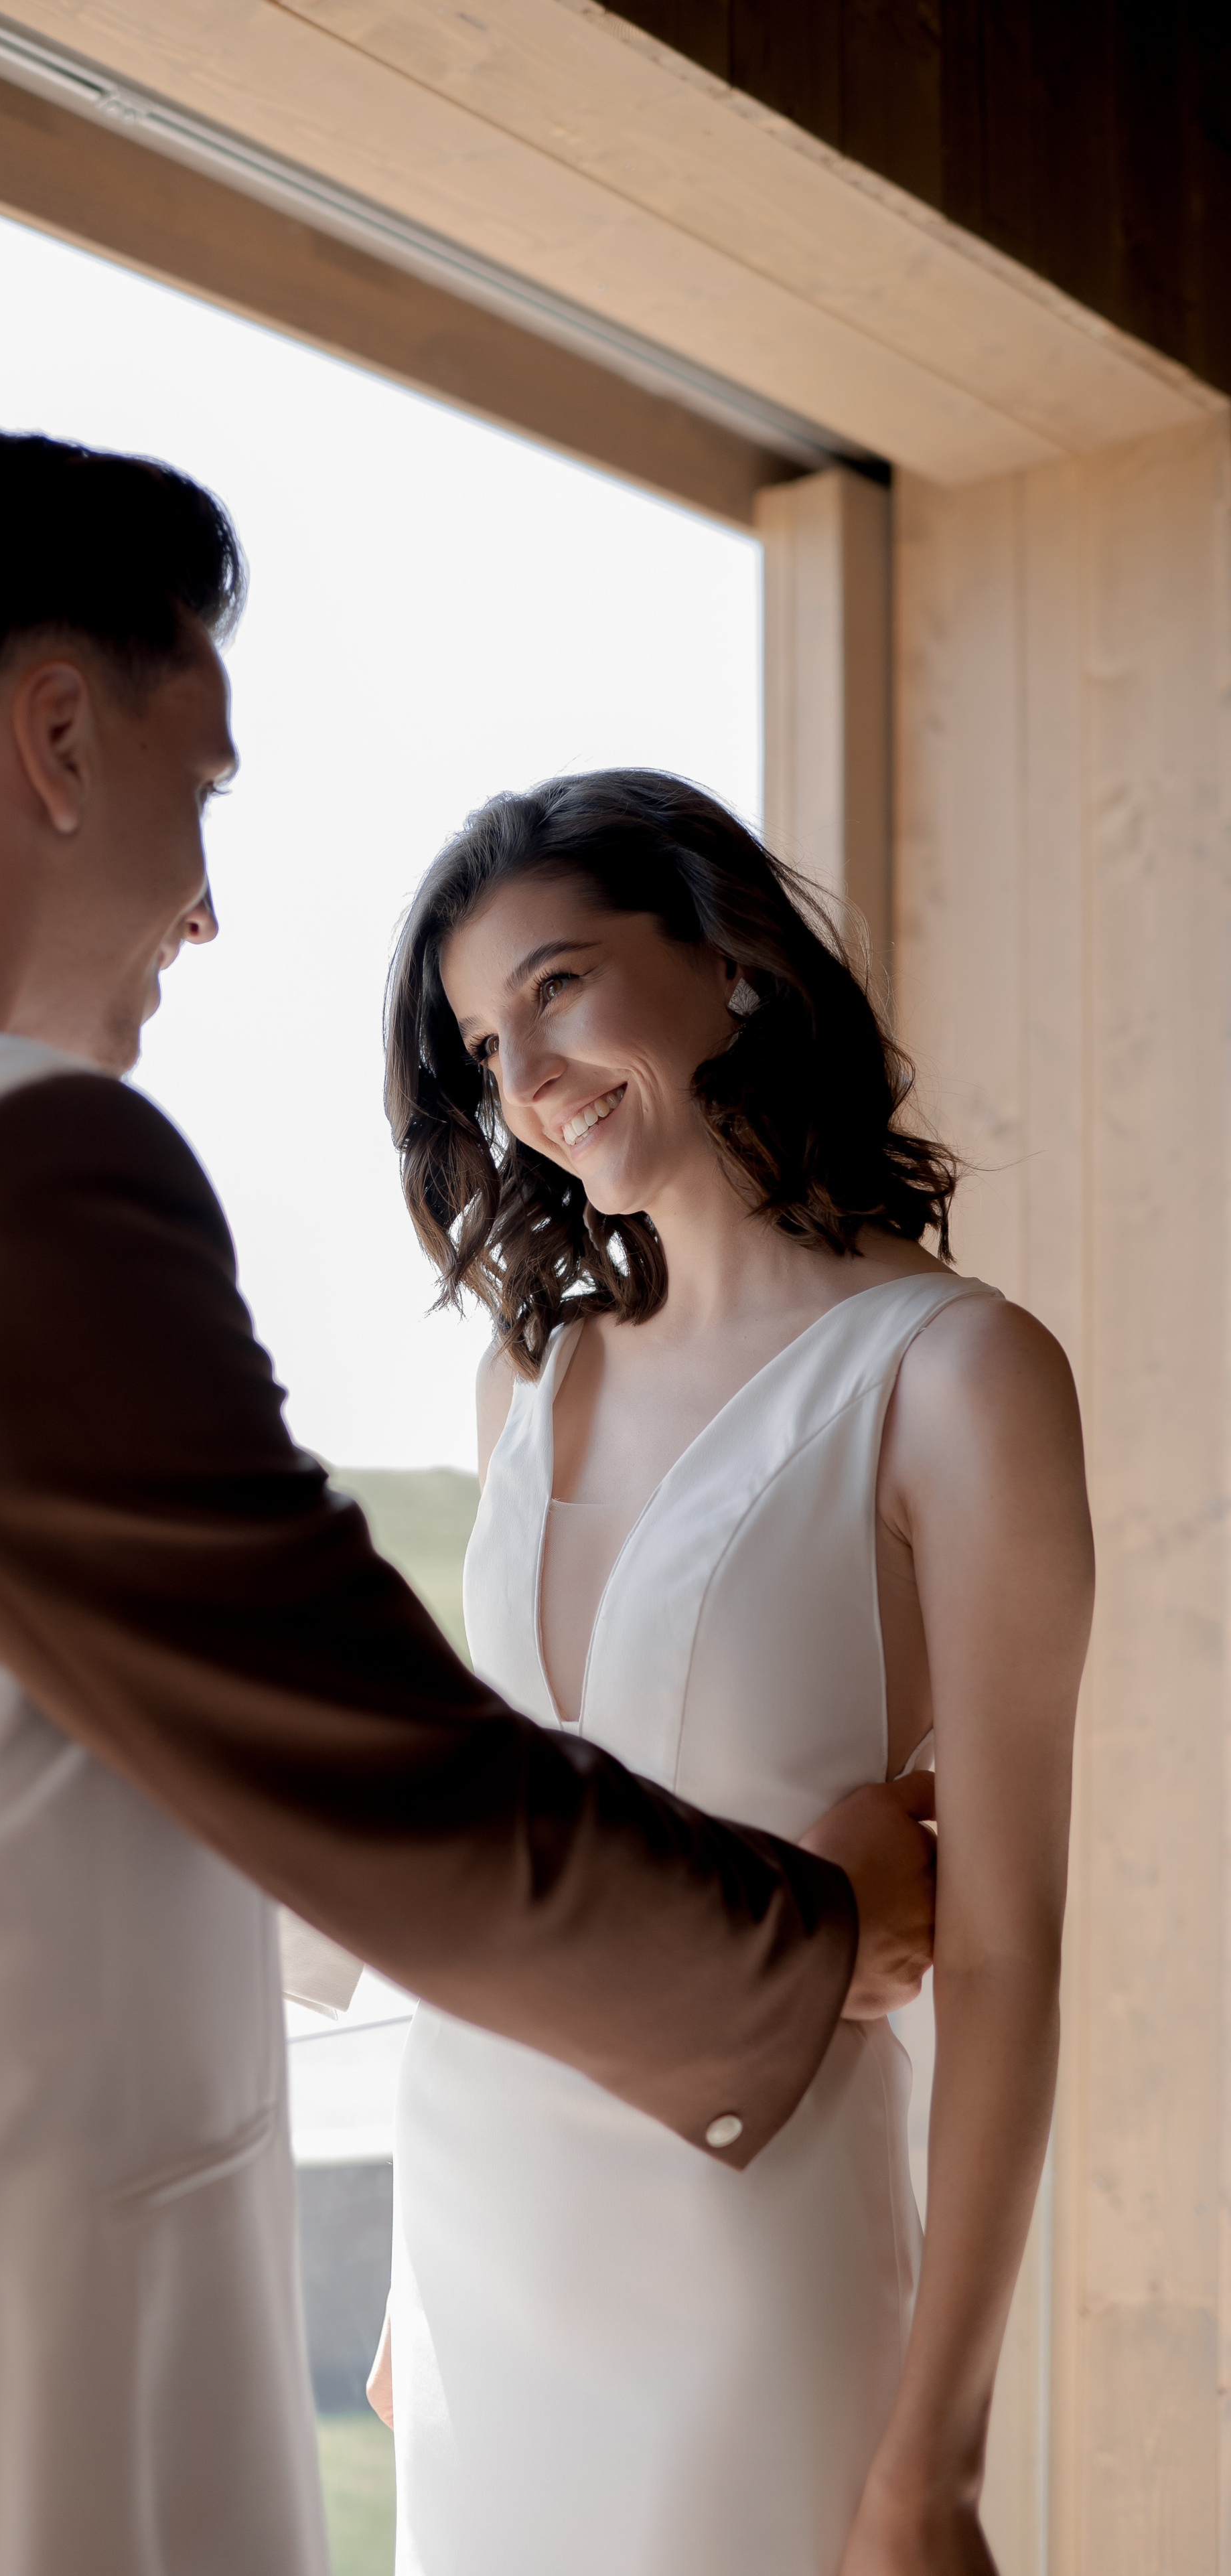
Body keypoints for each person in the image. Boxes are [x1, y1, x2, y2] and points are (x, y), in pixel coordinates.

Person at [0, 433, 936, 2576]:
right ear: (60, 739)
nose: (208, 903)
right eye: (205, 790)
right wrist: (819, 1939)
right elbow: (387, 1781)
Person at [372, 773, 1092, 2576]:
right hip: (469, 2247)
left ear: (733, 963)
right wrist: (400, 2285)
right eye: (478, 1043)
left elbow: (1003, 1953)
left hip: (753, 2258)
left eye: (558, 984)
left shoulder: (955, 1375)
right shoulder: (520, 1392)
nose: (523, 1075)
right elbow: (517, 1849)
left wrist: (933, 2463)